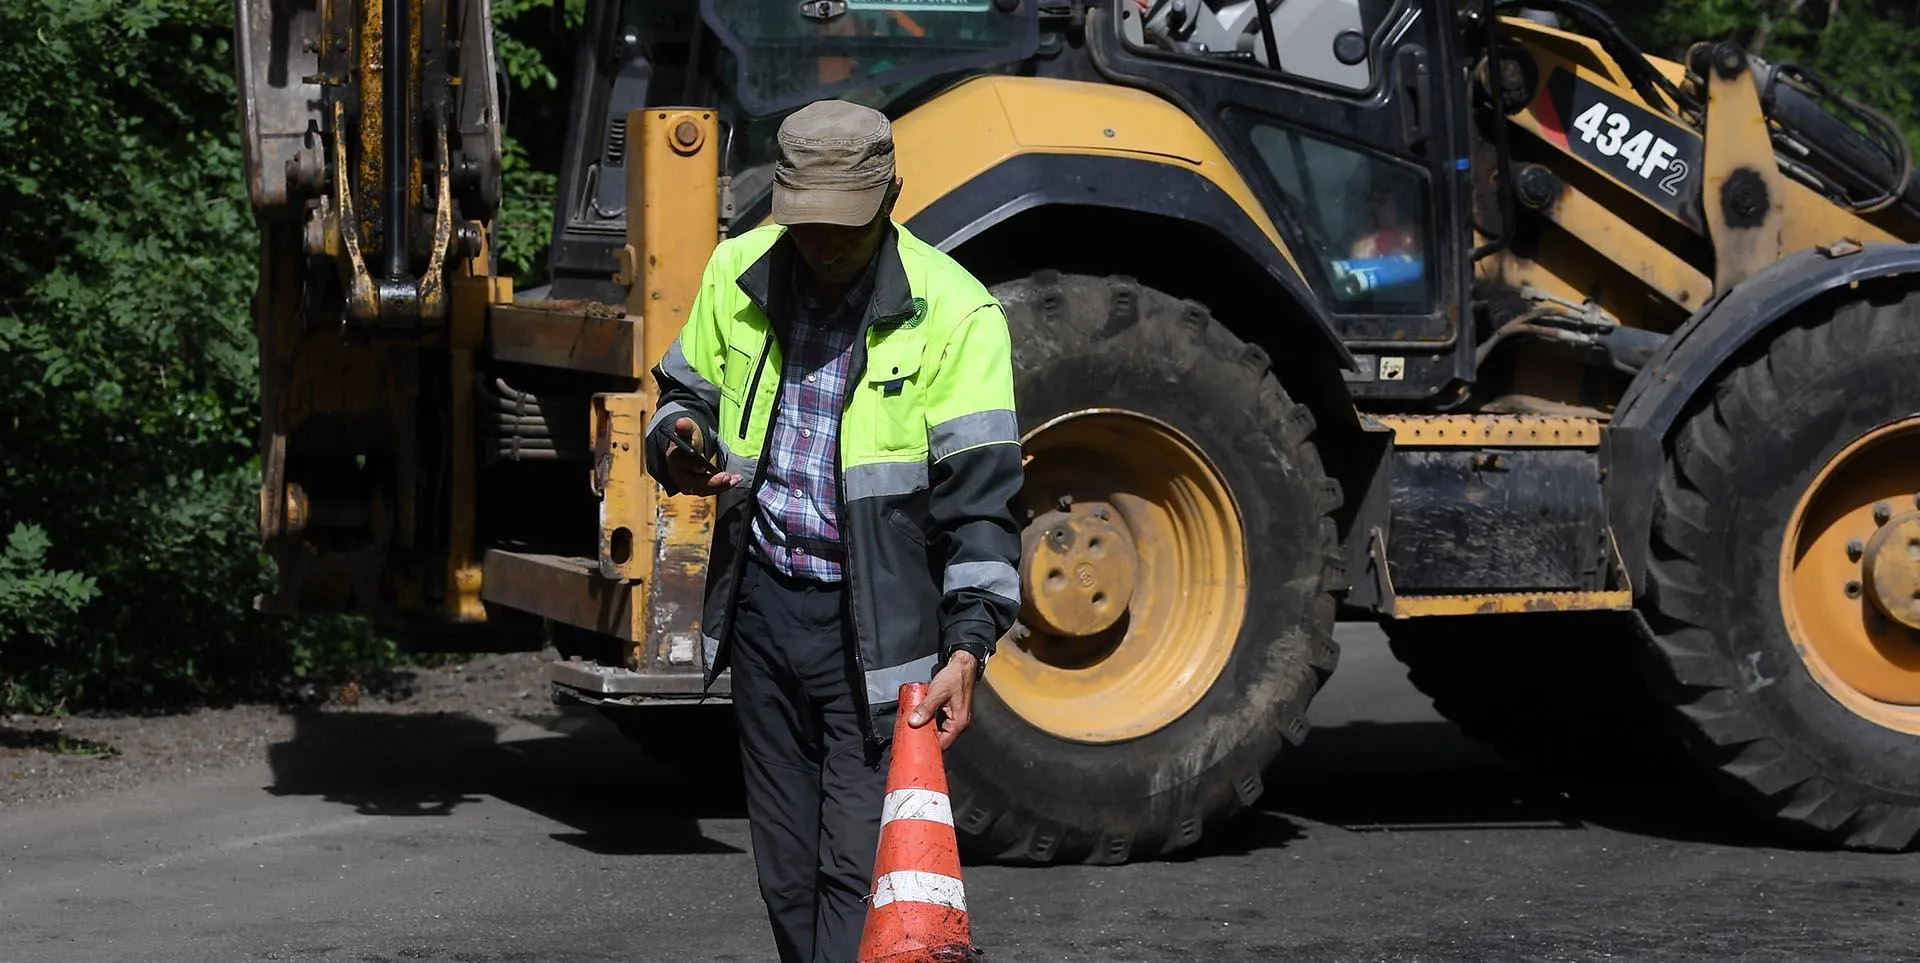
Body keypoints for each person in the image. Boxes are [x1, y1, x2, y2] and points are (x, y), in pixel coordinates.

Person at [641, 99, 1024, 963]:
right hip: (765, 616)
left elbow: (985, 510)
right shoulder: (737, 272)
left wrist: (967, 647)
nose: (822, 246)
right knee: (785, 872)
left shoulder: (957, 316)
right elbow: (681, 398)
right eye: (806, 226)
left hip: (878, 640)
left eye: (843, 230)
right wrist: (681, 440)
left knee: (855, 874)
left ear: (892, 195)